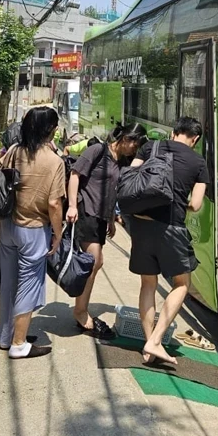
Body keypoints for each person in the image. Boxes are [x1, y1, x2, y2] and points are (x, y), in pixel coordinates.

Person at [128, 116, 208, 365]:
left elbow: (131, 179)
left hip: (140, 224)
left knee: (148, 284)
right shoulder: (198, 162)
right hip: (171, 227)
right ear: (194, 139)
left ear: (173, 133)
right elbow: (195, 204)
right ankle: (155, 341)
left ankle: (149, 347)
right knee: (182, 283)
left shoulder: (149, 147)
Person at [66, 123, 146, 339]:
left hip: (101, 217)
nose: (135, 149)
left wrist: (111, 219)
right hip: (87, 212)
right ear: (126, 139)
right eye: (134, 144)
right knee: (95, 261)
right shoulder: (97, 150)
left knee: (93, 262)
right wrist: (73, 205)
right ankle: (80, 311)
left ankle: (81, 307)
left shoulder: (121, 161)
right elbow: (75, 175)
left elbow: (112, 190)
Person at [0, 106, 64, 360]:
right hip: (34, 229)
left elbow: (1, 185)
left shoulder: (14, 151)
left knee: (9, 284)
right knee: (27, 285)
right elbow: (55, 204)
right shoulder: (54, 161)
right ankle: (19, 343)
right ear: (50, 130)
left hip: (7, 225)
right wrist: (57, 234)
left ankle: (6, 337)